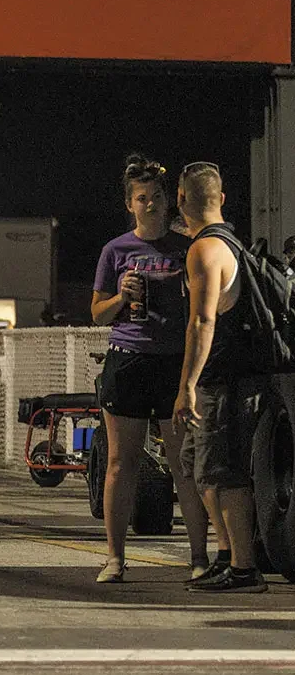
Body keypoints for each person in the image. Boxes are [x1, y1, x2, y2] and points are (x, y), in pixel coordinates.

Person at [90, 154, 211, 583]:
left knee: (183, 464)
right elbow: (98, 315)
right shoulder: (116, 251)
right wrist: (121, 297)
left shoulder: (186, 247)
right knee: (121, 463)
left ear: (168, 199)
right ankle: (115, 558)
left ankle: (199, 558)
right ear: (130, 204)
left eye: (157, 196)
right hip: (128, 358)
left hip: (174, 362)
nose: (151, 204)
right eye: (142, 198)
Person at [173, 161, 269, 593]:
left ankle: (245, 568)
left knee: (224, 471)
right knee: (198, 465)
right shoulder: (230, 243)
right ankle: (228, 555)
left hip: (223, 380)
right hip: (225, 378)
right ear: (222, 199)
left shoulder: (206, 250)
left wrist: (187, 386)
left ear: (180, 199)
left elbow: (202, 322)